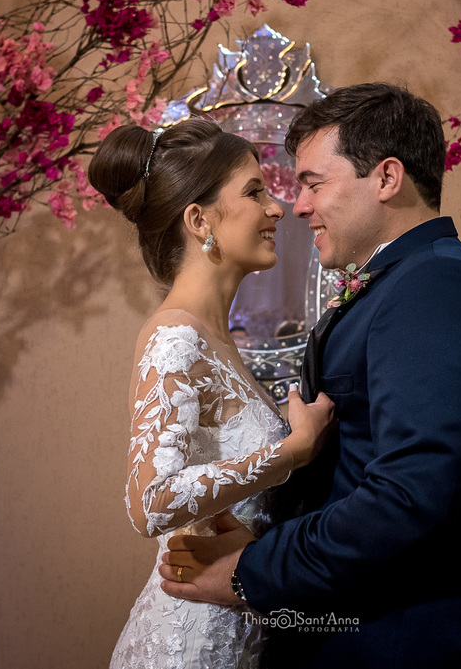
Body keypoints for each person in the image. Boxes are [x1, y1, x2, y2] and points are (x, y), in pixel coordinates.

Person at [156, 83, 461, 668]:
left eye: (314, 183)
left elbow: (408, 500)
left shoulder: (436, 289)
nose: (298, 206)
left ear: (386, 178)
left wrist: (251, 570)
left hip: (422, 643)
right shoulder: (404, 282)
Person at [88, 118, 337, 669]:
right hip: (189, 645)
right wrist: (291, 452)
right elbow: (150, 503)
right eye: (254, 192)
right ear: (199, 220)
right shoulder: (174, 337)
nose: (276, 208)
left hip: (235, 630)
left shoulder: (216, 339)